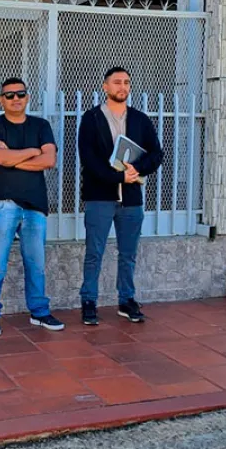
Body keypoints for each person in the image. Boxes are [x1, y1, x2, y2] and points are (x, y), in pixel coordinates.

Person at [0, 77, 65, 336]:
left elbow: (49, 160)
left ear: (27, 97)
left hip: (35, 205)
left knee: (36, 263)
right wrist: (33, 151)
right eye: (9, 95)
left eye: (20, 94)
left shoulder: (41, 125)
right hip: (2, 203)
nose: (15, 98)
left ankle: (39, 311)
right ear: (1, 99)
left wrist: (12, 158)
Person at [77, 67, 163, 325]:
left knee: (128, 253)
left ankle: (126, 300)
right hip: (99, 197)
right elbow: (88, 158)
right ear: (105, 86)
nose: (122, 87)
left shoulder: (140, 119)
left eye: (126, 82)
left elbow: (156, 154)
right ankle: (89, 301)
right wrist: (118, 178)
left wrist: (138, 169)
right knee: (94, 252)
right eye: (116, 82)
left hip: (131, 199)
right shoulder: (91, 118)